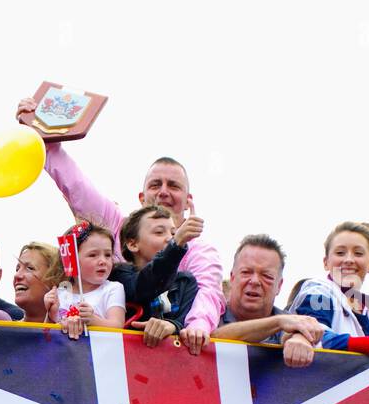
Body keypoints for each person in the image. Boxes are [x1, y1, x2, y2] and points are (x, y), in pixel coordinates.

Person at [16, 97, 222, 354]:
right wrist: (43, 135)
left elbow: (208, 294)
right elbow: (78, 187)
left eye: (174, 186)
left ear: (189, 200)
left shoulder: (200, 250)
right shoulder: (116, 225)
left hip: (174, 359)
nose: (164, 192)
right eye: (155, 185)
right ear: (141, 198)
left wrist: (193, 328)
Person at [289, 221, 369, 356]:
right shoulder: (318, 292)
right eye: (340, 253)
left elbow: (358, 359)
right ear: (326, 262)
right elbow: (317, 339)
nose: (349, 259)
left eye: (358, 253)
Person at [211, 235, 326, 368]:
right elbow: (212, 337)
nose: (254, 281)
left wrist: (301, 339)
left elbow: (291, 334)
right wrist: (278, 322)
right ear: (232, 277)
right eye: (246, 272)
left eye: (266, 276)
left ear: (279, 286)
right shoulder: (209, 313)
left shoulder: (290, 322)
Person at [110, 204, 199, 347]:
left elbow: (189, 323)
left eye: (173, 233)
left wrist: (172, 326)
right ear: (132, 244)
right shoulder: (119, 276)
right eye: (159, 232)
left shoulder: (186, 281)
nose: (170, 238)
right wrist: (175, 245)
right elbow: (144, 285)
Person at [12, 243, 66, 325]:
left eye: (30, 268)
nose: (17, 275)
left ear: (56, 279)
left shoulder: (72, 334)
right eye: (17, 269)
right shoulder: (3, 332)